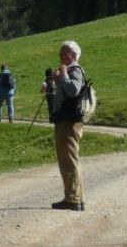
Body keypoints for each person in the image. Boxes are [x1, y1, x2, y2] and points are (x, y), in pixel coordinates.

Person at [49, 40, 86, 211]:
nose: (59, 56)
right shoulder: (71, 70)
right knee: (71, 159)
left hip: (68, 122)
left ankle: (72, 199)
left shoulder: (75, 70)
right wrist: (57, 81)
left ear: (72, 54)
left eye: (62, 53)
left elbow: (74, 90)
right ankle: (77, 197)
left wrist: (63, 75)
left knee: (68, 160)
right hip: (66, 120)